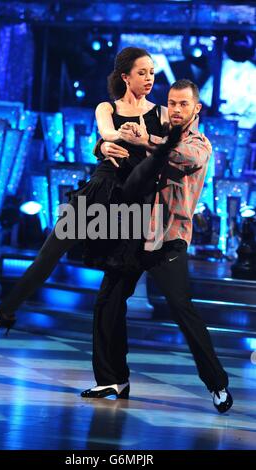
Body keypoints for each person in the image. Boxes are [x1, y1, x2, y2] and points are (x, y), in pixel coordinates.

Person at [0, 46, 175, 338]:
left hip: (134, 200)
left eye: (152, 72)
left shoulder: (163, 114)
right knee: (48, 255)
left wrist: (145, 141)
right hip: (100, 190)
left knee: (125, 273)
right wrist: (108, 143)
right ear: (126, 77)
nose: (149, 78)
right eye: (142, 72)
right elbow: (107, 132)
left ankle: (113, 362)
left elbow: (173, 153)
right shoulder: (108, 107)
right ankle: (4, 312)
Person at [81, 79, 233, 414]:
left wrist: (145, 140)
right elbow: (115, 145)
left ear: (196, 109)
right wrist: (102, 147)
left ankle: (217, 383)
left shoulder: (199, 144)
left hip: (168, 238)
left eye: (183, 105)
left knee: (181, 308)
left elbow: (177, 157)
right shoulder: (153, 131)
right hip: (134, 232)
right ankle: (113, 378)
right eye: (172, 103)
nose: (176, 110)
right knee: (108, 300)